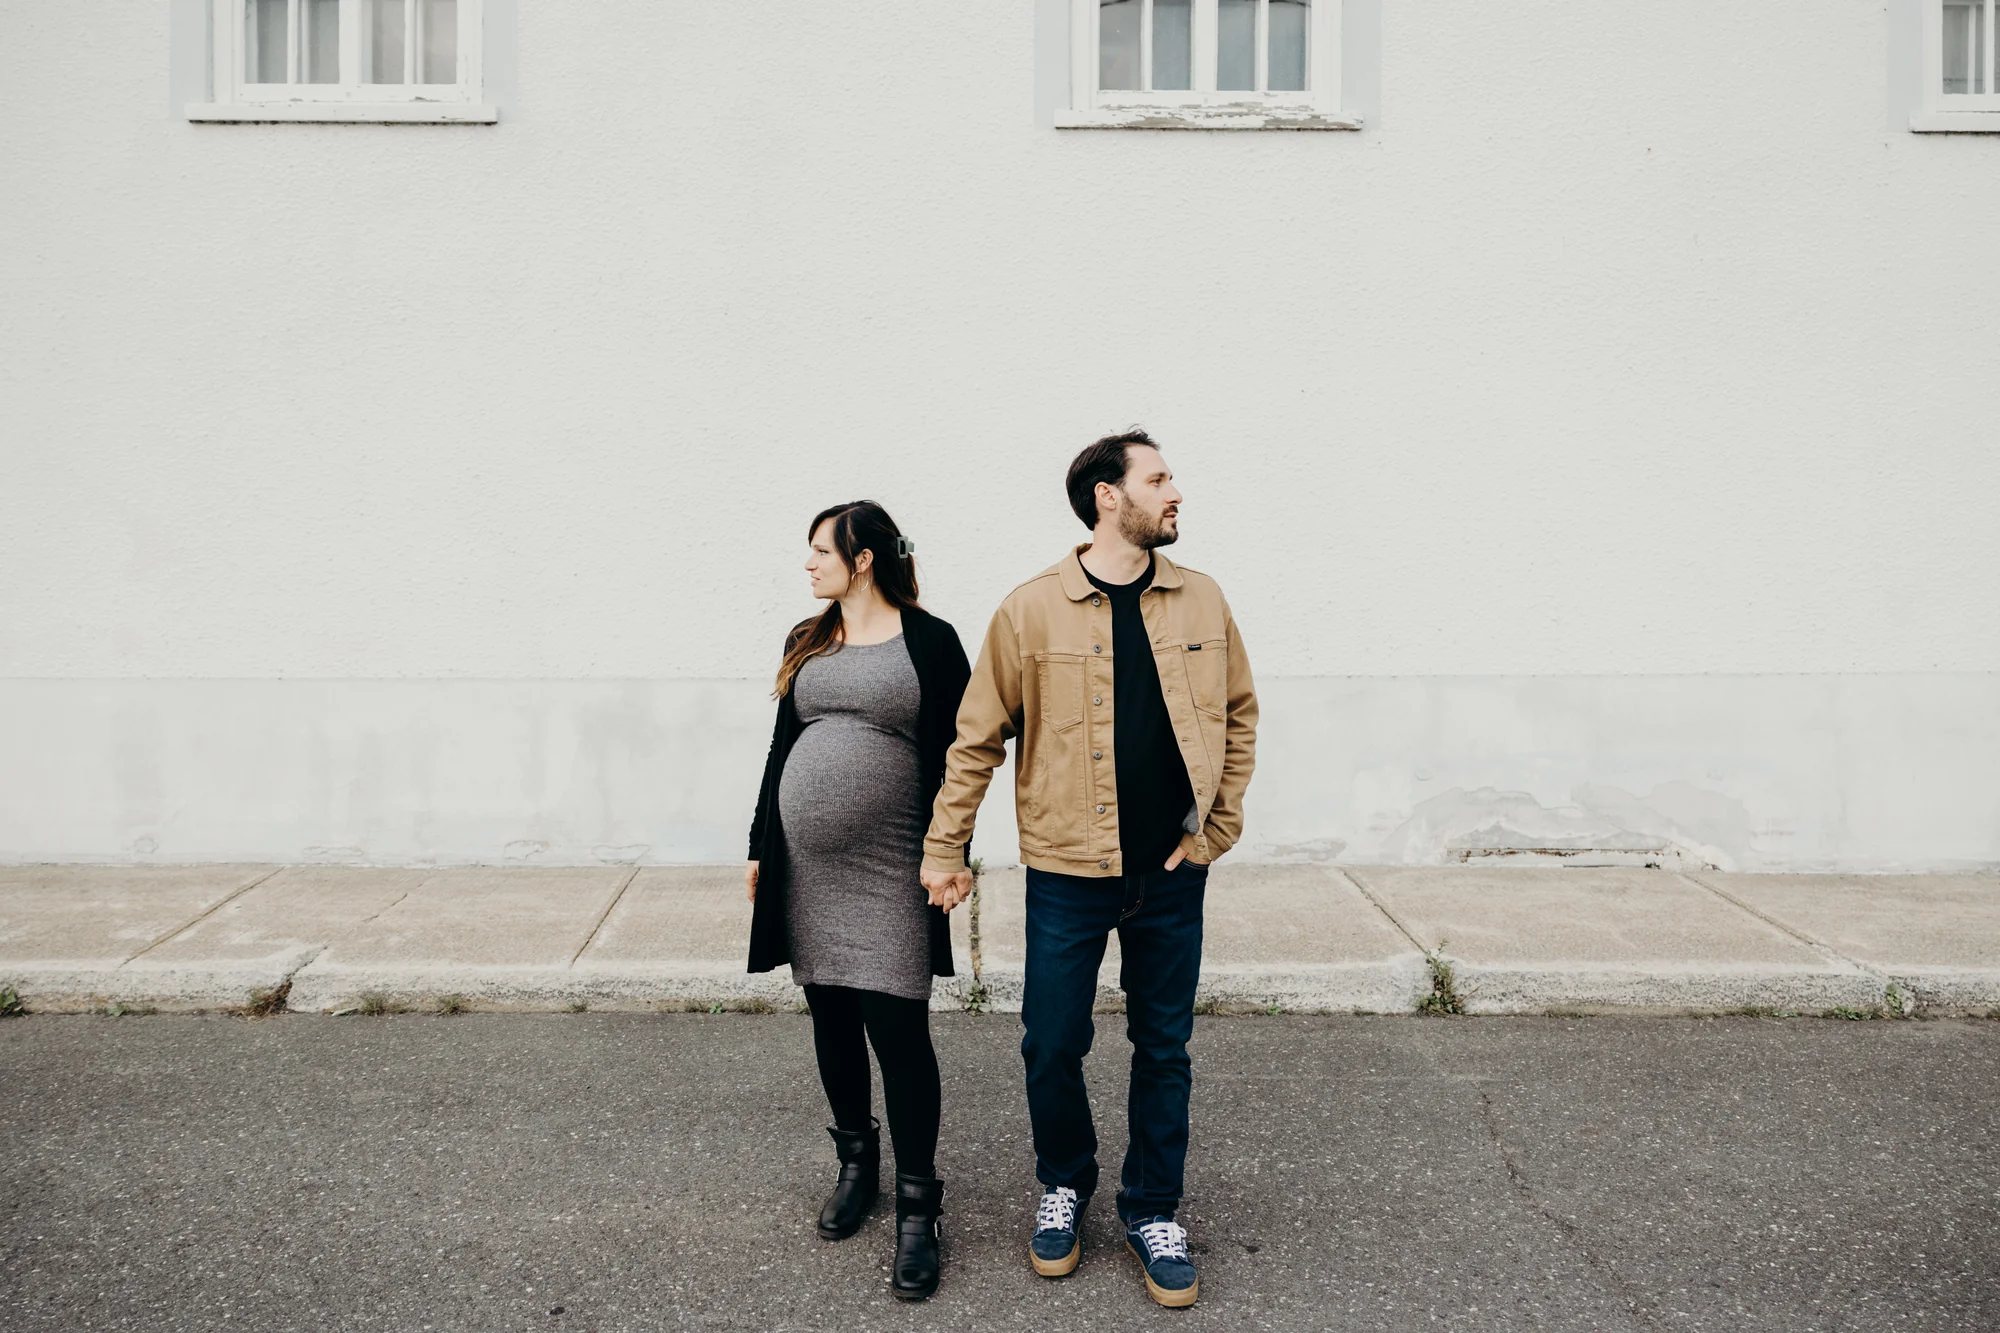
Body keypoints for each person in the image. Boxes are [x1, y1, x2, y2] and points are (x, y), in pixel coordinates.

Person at [920, 430, 1257, 1308]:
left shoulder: (1203, 599)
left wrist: (1215, 827)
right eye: (1158, 477)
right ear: (1109, 496)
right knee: (1051, 1040)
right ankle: (1063, 1183)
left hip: (1173, 871)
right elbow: (974, 739)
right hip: (1068, 872)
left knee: (1165, 1046)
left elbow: (1240, 713)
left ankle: (1153, 1208)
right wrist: (943, 846)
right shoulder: (1031, 610)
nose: (1175, 490)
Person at [745, 500, 971, 1302]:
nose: (807, 565)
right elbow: (781, 750)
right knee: (831, 1014)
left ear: (864, 558)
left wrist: (954, 855)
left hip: (892, 867)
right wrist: (757, 845)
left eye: (819, 551)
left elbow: (959, 754)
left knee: (899, 1027)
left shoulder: (930, 641)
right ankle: (857, 1165)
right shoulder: (807, 640)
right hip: (806, 867)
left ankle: (919, 1208)